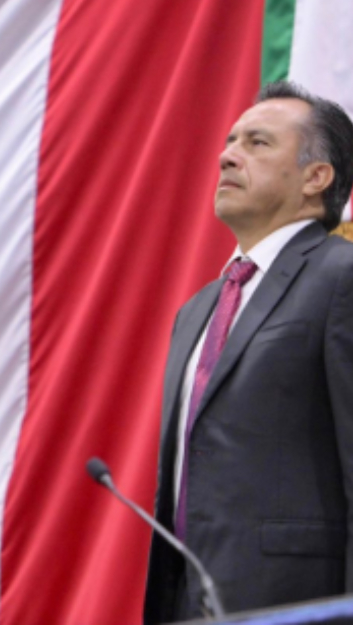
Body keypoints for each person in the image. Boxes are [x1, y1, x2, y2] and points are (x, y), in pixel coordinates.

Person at [145, 81, 353, 621]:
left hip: (302, 604)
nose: (227, 155)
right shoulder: (197, 310)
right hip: (189, 601)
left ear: (316, 177)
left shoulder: (341, 277)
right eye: (231, 140)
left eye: (258, 143)